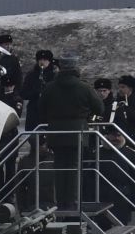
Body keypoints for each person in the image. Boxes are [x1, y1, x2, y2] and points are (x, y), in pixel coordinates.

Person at [35, 54, 104, 211]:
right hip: (77, 132)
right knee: (74, 167)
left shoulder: (50, 87)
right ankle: (72, 202)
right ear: (75, 67)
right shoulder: (84, 87)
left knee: (59, 167)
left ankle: (60, 202)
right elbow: (99, 108)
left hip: (56, 133)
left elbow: (41, 108)